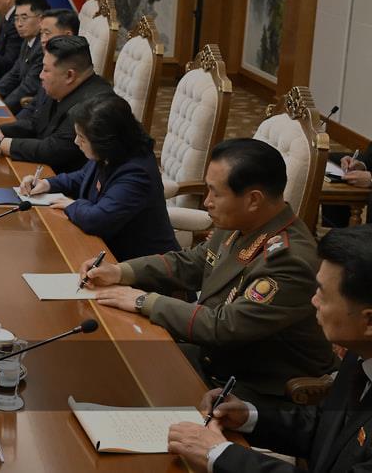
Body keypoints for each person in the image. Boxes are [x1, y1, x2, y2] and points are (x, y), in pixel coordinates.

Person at [80, 138, 337, 402]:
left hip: (257, 389)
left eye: (215, 193)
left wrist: (143, 301)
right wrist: (121, 272)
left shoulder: (289, 260)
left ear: (253, 200)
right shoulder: (243, 222)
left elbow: (225, 326)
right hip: (217, 359)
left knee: (120, 388)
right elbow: (192, 262)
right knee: (103, 358)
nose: (207, 202)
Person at [167, 224, 372, 472]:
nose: (313, 301)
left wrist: (219, 454)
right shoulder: (361, 353)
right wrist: (248, 417)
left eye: (323, 294)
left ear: (369, 321)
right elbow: (324, 428)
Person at [20, 92, 175, 260]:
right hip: (105, 250)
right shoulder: (113, 152)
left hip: (140, 264)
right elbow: (83, 177)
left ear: (106, 141)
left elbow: (97, 220)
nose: (76, 142)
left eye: (82, 138)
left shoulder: (137, 173)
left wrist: (73, 205)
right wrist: (47, 184)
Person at [0, 35, 114, 173]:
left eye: (46, 70)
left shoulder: (96, 103)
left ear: (69, 75)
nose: (41, 75)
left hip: (61, 178)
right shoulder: (60, 86)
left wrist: (0, 143)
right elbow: (35, 123)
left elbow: (54, 150)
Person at [0, 0, 49, 113]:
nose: (19, 24)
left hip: (32, 108)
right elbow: (14, 74)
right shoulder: (27, 41)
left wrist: (1, 108)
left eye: (24, 18)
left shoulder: (43, 47)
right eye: (16, 19)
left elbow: (29, 86)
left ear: (40, 20)